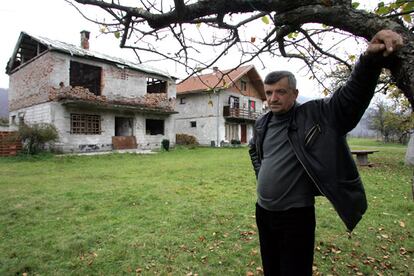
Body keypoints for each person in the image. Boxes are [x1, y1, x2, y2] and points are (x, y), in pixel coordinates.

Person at [249, 29, 403, 276]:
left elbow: (348, 100)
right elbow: (256, 154)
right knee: (271, 268)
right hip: (264, 212)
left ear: (295, 94)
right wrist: (264, 181)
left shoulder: (315, 114)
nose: (273, 98)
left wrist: (368, 62)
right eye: (268, 93)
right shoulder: (262, 123)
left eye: (280, 92)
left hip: (296, 215)